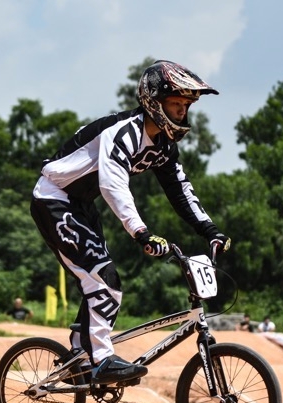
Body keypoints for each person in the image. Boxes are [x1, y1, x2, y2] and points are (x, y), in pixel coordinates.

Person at [30, 60, 230, 385]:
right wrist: (142, 232)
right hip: (54, 199)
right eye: (176, 104)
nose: (182, 112)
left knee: (101, 279)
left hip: (81, 206)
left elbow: (180, 190)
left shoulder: (164, 145)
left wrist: (210, 230)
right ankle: (100, 360)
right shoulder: (124, 132)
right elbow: (113, 184)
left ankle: (79, 357)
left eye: (186, 105)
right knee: (104, 279)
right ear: (154, 101)